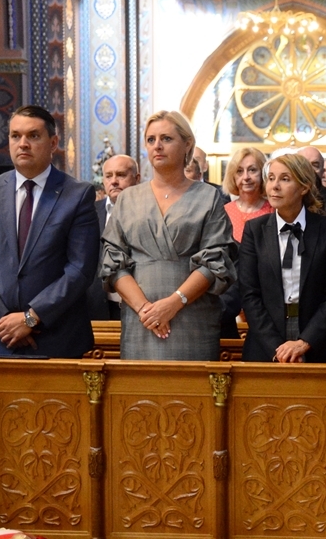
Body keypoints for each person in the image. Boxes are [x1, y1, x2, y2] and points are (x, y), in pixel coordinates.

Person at [0, 104, 100, 358]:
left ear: (53, 143)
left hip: (57, 339)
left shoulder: (77, 195)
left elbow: (80, 269)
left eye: (33, 136)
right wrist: (4, 321)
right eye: (15, 136)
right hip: (0, 339)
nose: (23, 144)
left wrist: (30, 318)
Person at [101, 110, 235, 360]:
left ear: (187, 144)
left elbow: (215, 261)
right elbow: (113, 262)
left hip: (192, 318)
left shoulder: (209, 197)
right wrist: (146, 310)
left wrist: (174, 303)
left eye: (166, 139)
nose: (157, 146)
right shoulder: (128, 198)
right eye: (151, 140)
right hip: (140, 321)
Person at [239, 152, 326, 363]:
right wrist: (277, 348)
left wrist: (305, 342)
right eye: (271, 178)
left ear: (304, 187)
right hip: (266, 340)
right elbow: (249, 295)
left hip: (319, 339)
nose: (274, 186)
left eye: (285, 179)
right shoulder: (254, 230)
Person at [89, 154, 141, 321]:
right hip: (98, 308)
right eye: (108, 176)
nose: (114, 181)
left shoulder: (150, 211)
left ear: (137, 178)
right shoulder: (89, 213)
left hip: (141, 307)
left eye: (121, 175)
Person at [223, 147, 272, 243]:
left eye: (252, 170)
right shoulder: (224, 212)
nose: (246, 177)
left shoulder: (273, 210)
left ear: (263, 173)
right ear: (233, 176)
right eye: (239, 171)